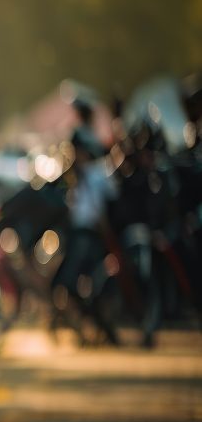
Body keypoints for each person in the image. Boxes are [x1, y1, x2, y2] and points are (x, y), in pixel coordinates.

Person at [52, 97, 118, 342]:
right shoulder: (74, 180)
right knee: (69, 285)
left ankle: (98, 327)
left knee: (83, 285)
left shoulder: (96, 175)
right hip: (77, 236)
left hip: (92, 237)